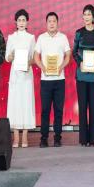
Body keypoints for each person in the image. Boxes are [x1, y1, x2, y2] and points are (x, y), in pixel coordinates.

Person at [35, 12, 71, 147]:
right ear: (46, 23)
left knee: (58, 110)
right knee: (45, 110)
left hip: (59, 80)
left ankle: (57, 137)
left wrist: (61, 66)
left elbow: (68, 55)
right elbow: (36, 56)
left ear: (57, 23)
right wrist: (43, 68)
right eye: (49, 21)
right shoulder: (41, 38)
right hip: (45, 80)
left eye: (54, 21)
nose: (51, 23)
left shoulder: (63, 37)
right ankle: (43, 138)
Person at [73, 4, 94, 147]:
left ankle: (92, 139)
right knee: (83, 106)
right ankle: (83, 139)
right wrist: (80, 63)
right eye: (84, 14)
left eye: (89, 14)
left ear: (93, 16)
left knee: (93, 106)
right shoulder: (78, 33)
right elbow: (74, 52)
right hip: (81, 75)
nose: (86, 17)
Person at [5, 9, 36, 148]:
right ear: (16, 22)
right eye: (19, 20)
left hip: (27, 75)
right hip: (15, 75)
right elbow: (7, 57)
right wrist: (11, 56)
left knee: (26, 103)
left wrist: (28, 63)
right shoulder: (11, 37)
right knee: (15, 104)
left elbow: (34, 57)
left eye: (24, 20)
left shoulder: (31, 38)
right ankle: (16, 136)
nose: (21, 23)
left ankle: (25, 136)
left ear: (27, 22)